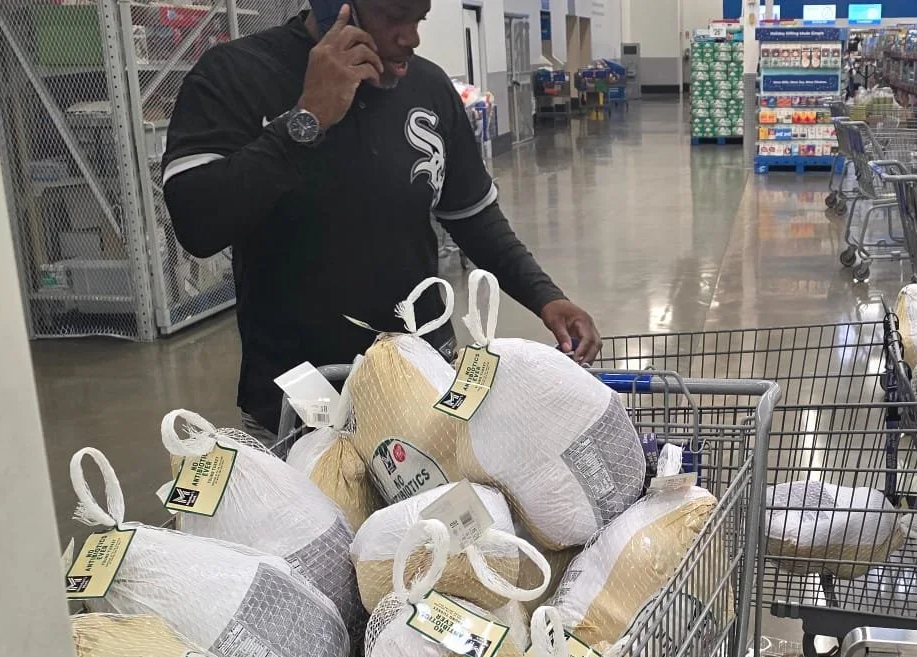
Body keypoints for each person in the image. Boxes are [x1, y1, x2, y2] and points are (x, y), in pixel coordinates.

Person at [161, 0, 599, 436]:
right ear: (337, 9)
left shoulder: (428, 88)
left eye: (419, 18)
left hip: (423, 389)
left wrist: (545, 297)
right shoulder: (237, 74)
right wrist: (307, 119)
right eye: (394, 17)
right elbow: (197, 223)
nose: (412, 37)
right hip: (299, 409)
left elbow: (474, 216)